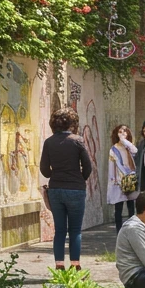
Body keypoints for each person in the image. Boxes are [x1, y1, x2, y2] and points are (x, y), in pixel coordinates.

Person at [40, 107, 92, 269]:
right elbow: (88, 167)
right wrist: (79, 178)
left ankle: (59, 264)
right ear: (72, 124)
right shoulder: (78, 141)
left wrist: (54, 174)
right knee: (75, 229)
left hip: (56, 189)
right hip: (76, 189)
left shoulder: (49, 142)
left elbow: (44, 170)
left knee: (60, 229)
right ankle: (75, 265)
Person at [107, 124, 138, 233]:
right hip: (119, 182)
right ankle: (119, 231)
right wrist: (114, 181)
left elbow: (135, 151)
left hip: (130, 180)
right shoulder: (113, 149)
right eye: (120, 132)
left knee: (131, 207)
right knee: (118, 209)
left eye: (125, 132)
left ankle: (131, 230)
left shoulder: (129, 147)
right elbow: (113, 167)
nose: (122, 134)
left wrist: (125, 141)